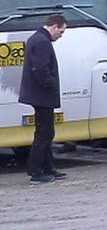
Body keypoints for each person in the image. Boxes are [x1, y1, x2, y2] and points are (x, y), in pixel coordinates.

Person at [19, 15, 67, 184]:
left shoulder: (36, 38)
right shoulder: (42, 42)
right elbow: (40, 68)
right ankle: (36, 171)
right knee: (45, 133)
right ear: (54, 26)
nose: (61, 35)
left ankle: (48, 168)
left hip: (38, 94)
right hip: (42, 95)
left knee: (45, 131)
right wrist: (51, 83)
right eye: (61, 31)